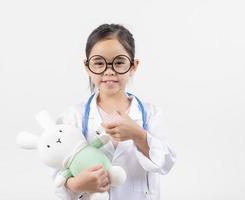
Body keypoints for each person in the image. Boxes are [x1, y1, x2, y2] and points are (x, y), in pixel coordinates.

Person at [53, 23, 176, 200]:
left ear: (133, 66)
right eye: (99, 63)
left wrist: (138, 135)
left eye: (119, 62)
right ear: (87, 67)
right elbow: (58, 174)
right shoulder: (73, 117)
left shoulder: (150, 114)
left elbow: (166, 163)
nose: (109, 71)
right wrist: (76, 184)